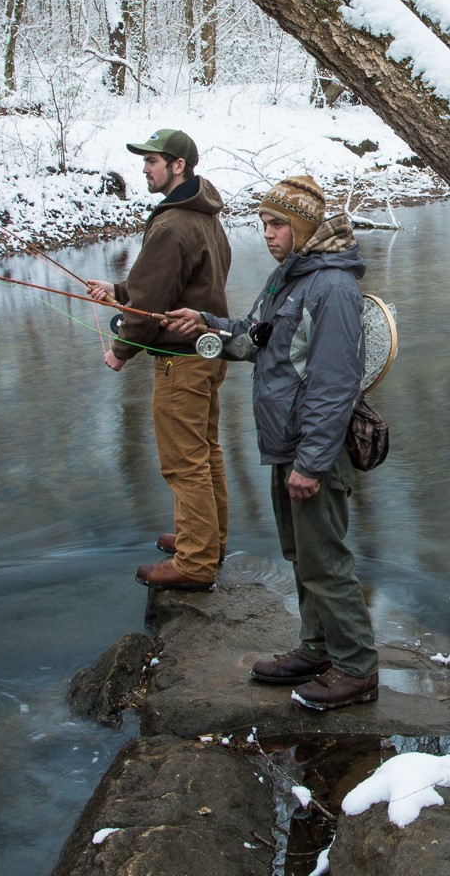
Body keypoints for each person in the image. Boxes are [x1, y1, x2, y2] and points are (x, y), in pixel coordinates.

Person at [173, 174, 379, 710]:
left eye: (278, 223)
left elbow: (335, 385)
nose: (267, 233)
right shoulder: (286, 278)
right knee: (301, 555)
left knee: (325, 560)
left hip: (315, 451)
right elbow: (253, 337)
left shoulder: (332, 288)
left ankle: (357, 670)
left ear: (305, 228)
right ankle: (316, 650)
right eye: (264, 223)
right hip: (283, 443)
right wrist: (204, 325)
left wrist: (311, 464)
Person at [85, 128, 232, 593]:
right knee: (206, 453)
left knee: (183, 462)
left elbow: (150, 305)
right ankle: (208, 540)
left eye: (151, 161)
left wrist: (120, 352)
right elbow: (173, 284)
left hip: (179, 361)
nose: (144, 169)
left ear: (178, 166)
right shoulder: (205, 215)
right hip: (210, 352)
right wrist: (118, 291)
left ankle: (195, 561)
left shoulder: (171, 224)